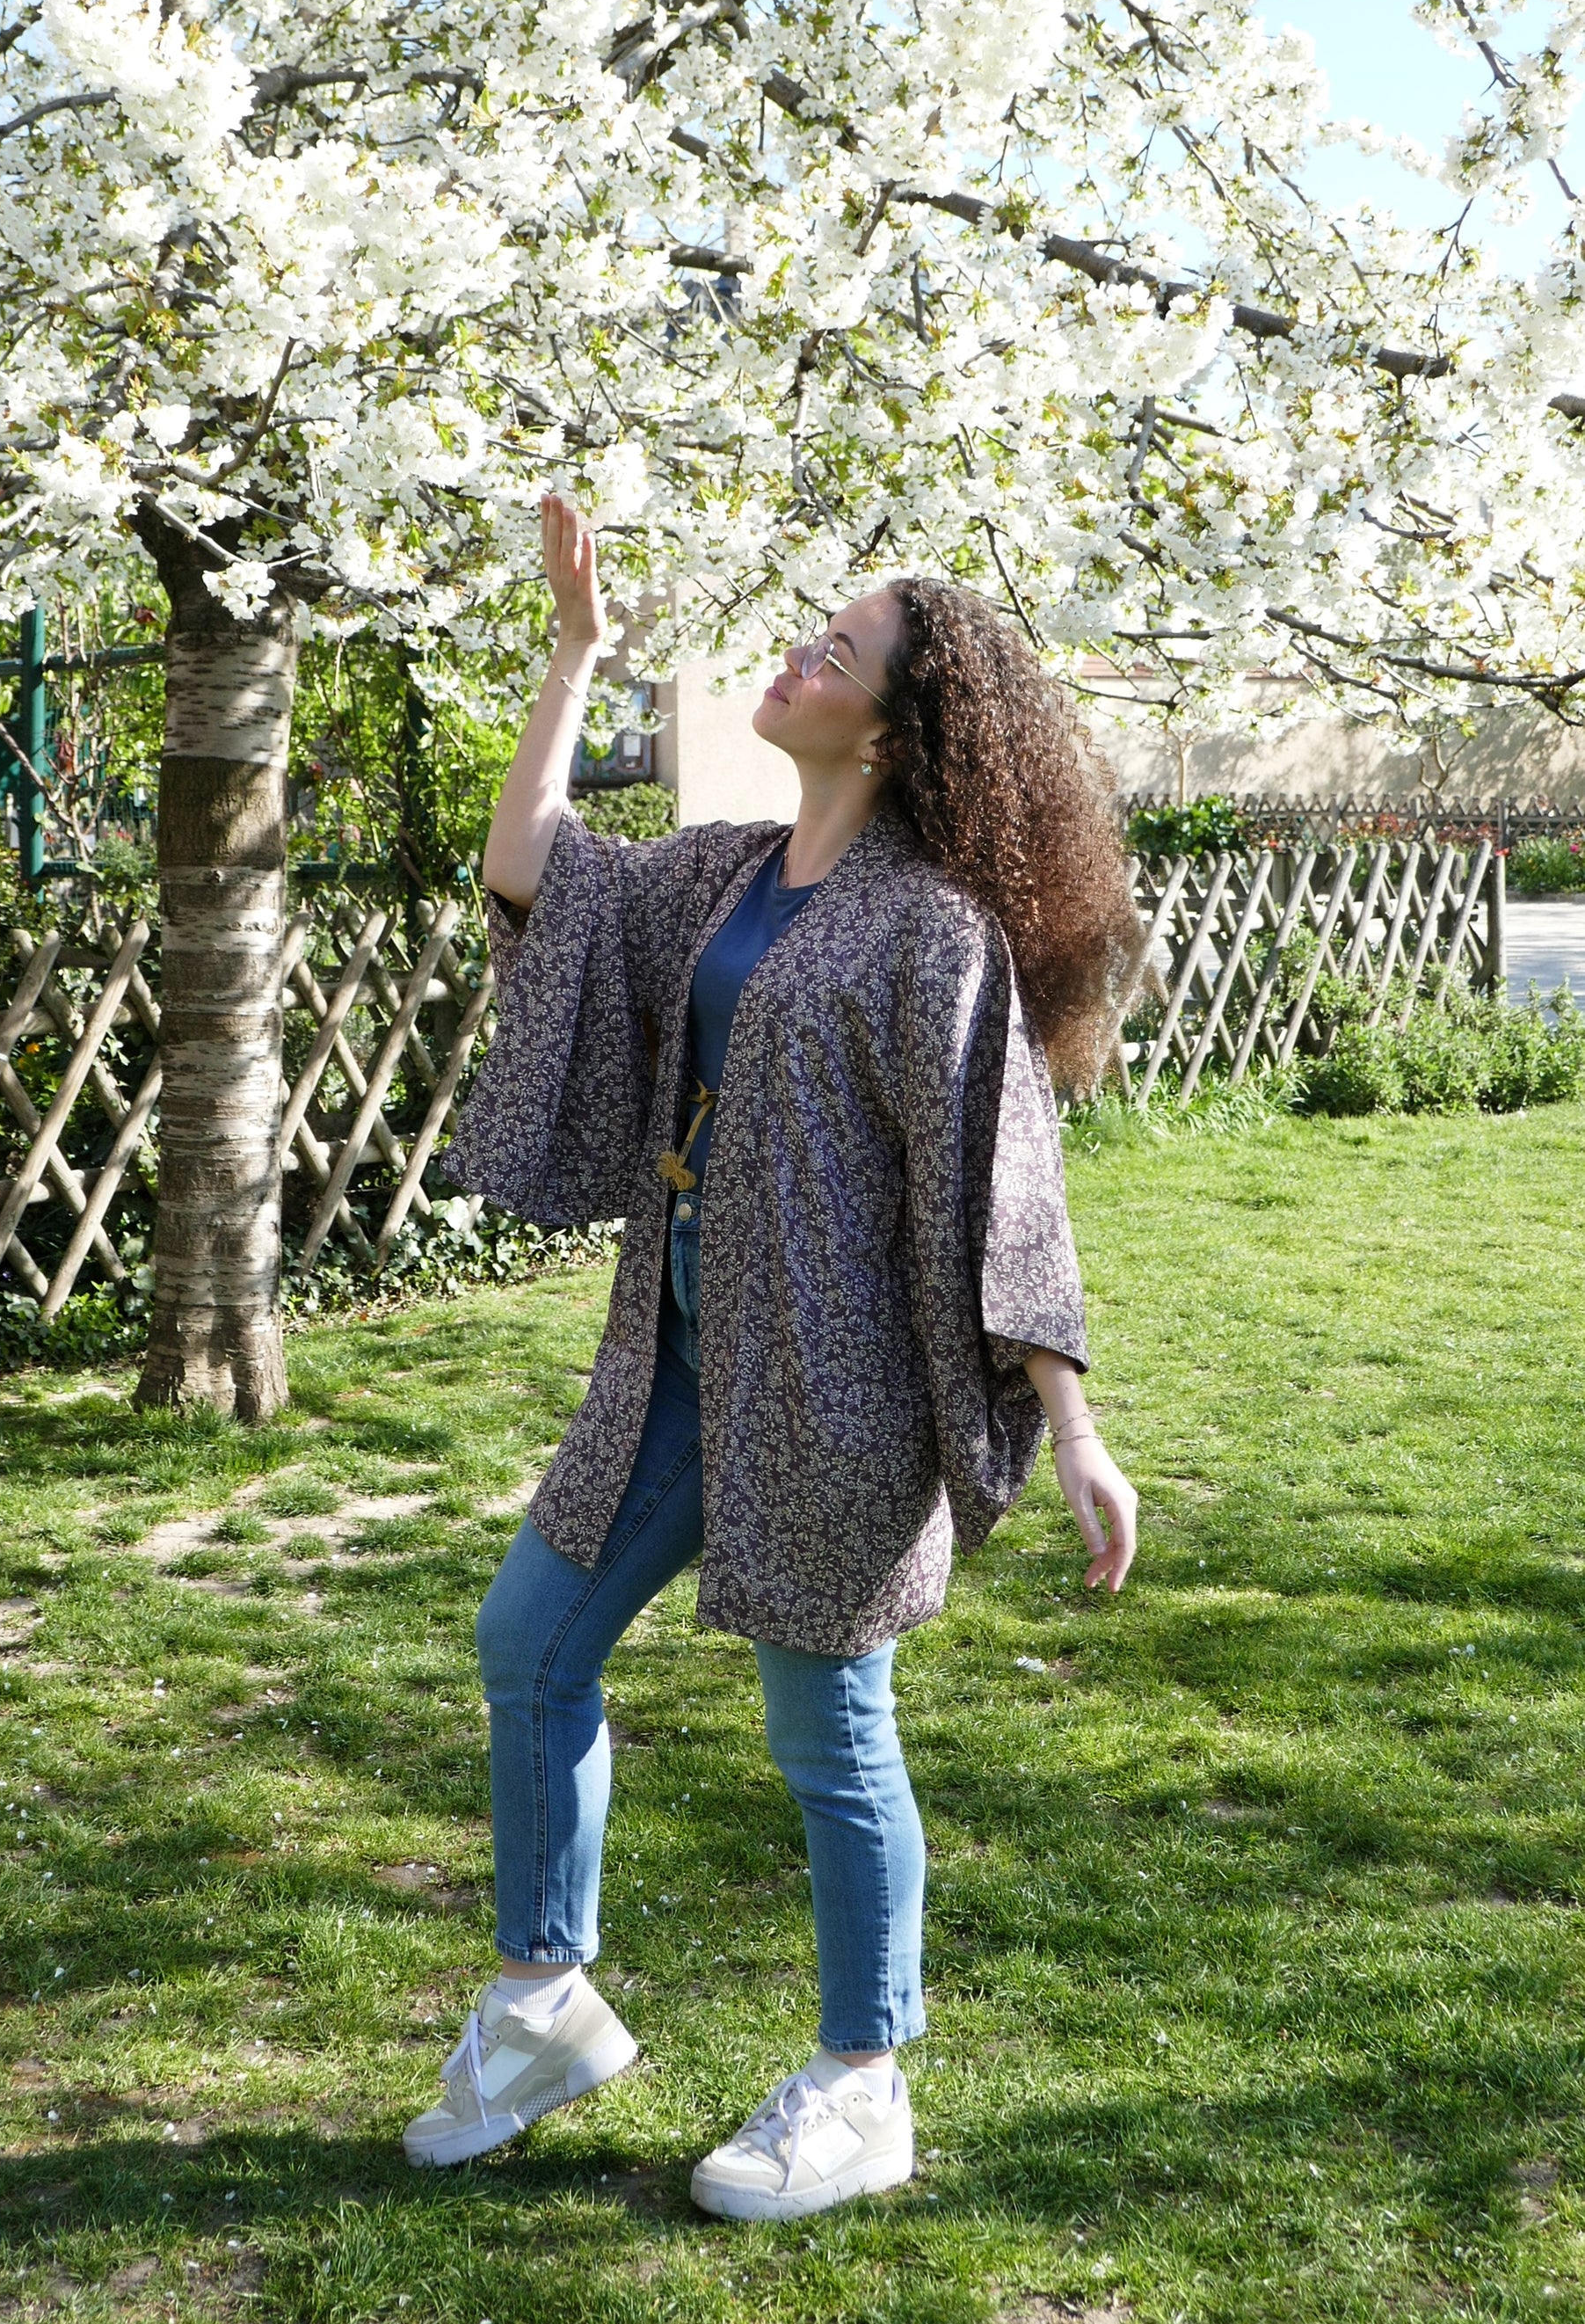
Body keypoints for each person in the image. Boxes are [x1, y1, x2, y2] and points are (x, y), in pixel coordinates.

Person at [405, 494, 1145, 2220]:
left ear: (890, 726)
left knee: (828, 1737)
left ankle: (861, 2081)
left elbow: (999, 1181)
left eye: (843, 645)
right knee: (530, 1640)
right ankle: (539, 2002)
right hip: (668, 1359)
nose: (801, 648)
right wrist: (575, 655)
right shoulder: (725, 871)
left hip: (840, 1393)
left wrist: (1071, 1420)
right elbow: (531, 877)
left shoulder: (928, 928)